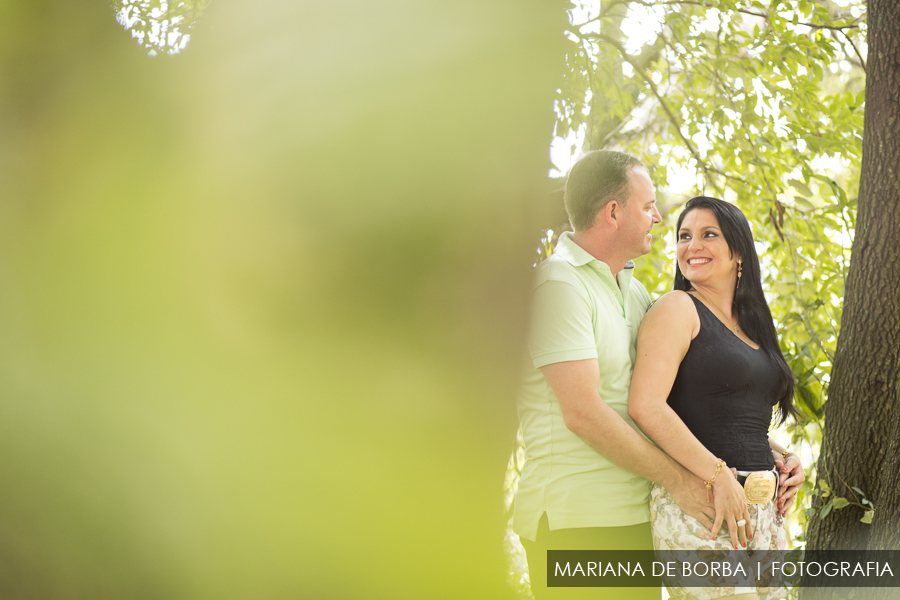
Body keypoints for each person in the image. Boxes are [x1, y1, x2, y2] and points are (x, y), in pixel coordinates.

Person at [514, 151, 716, 600]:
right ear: (612, 212)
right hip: (577, 523)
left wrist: (770, 452)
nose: (658, 218)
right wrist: (680, 482)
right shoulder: (558, 283)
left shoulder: (635, 289)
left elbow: (670, 398)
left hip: (635, 519)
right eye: (648, 207)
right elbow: (583, 413)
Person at [627, 196, 805, 600]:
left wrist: (783, 458)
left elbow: (729, 412)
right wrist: (716, 474)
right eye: (685, 236)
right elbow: (646, 405)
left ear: (737, 251)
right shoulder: (677, 308)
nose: (693, 246)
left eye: (709, 235)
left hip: (762, 511)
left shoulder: (753, 326)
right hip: (704, 504)